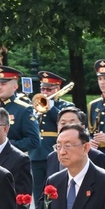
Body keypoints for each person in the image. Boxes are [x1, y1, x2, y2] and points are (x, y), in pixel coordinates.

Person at [0, 65, 40, 154]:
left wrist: (6, 146)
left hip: (14, 159)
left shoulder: (24, 109)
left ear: (15, 87)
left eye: (3, 84)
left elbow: (34, 140)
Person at [31, 70, 68, 201]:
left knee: (56, 188)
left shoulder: (65, 106)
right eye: (43, 89)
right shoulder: (34, 106)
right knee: (38, 191)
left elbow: (66, 124)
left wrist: (51, 108)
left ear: (58, 89)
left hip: (54, 151)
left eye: (49, 89)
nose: (45, 93)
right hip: (36, 153)